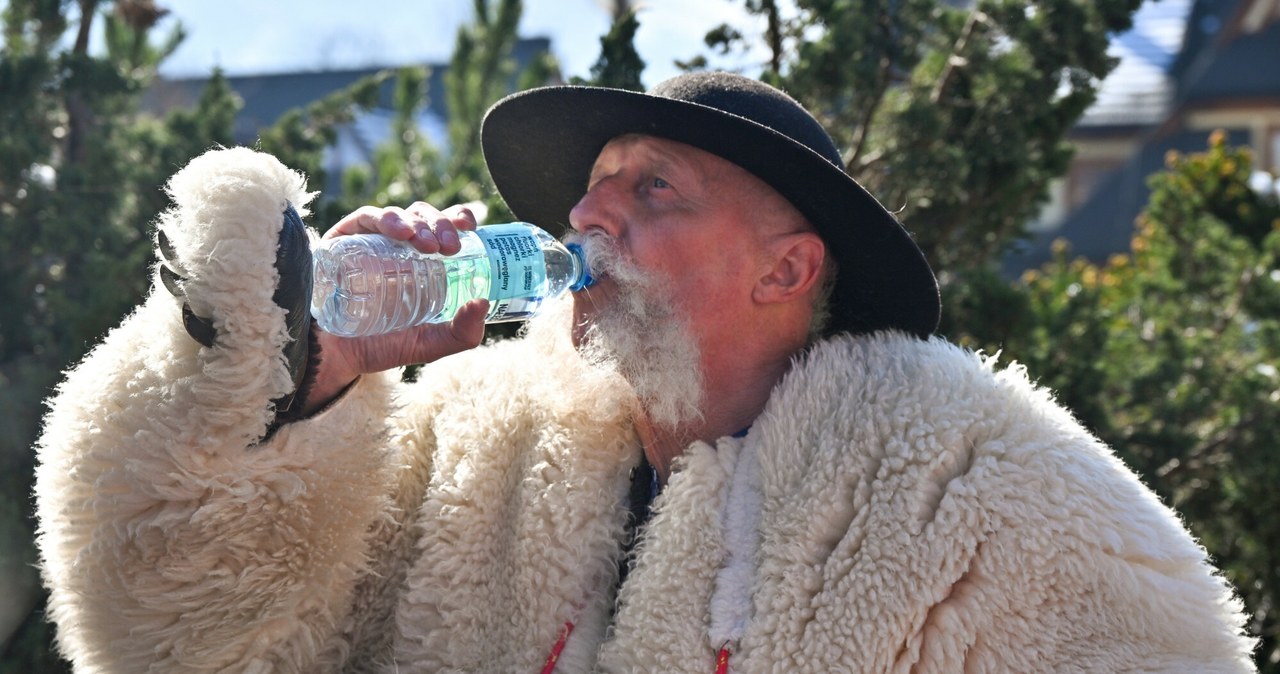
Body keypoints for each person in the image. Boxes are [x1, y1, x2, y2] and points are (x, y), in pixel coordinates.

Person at [34, 72, 1257, 673]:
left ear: (785, 269)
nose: (585, 213)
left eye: (650, 186)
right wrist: (302, 375)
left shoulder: (978, 493)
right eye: (593, 183)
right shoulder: (467, 442)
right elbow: (184, 640)